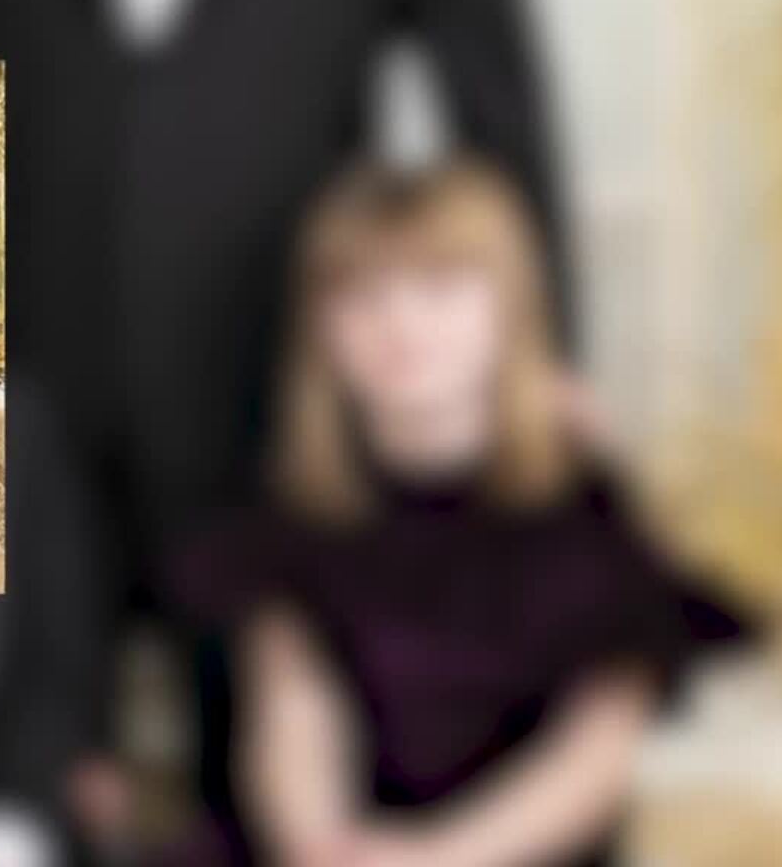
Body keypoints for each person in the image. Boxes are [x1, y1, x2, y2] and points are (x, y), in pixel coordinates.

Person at [0, 0, 569, 847]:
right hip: (25, 393)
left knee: (280, 782)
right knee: (20, 785)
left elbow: (491, 81)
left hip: (288, 388)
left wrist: (542, 365)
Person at [162, 160, 745, 866]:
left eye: (440, 289)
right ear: (321, 329)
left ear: (512, 309)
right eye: (361, 296)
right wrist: (322, 848)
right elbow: (293, 710)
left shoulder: (579, 508)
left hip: (510, 848)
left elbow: (597, 750)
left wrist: (437, 859)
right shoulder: (294, 517)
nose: (400, 324)